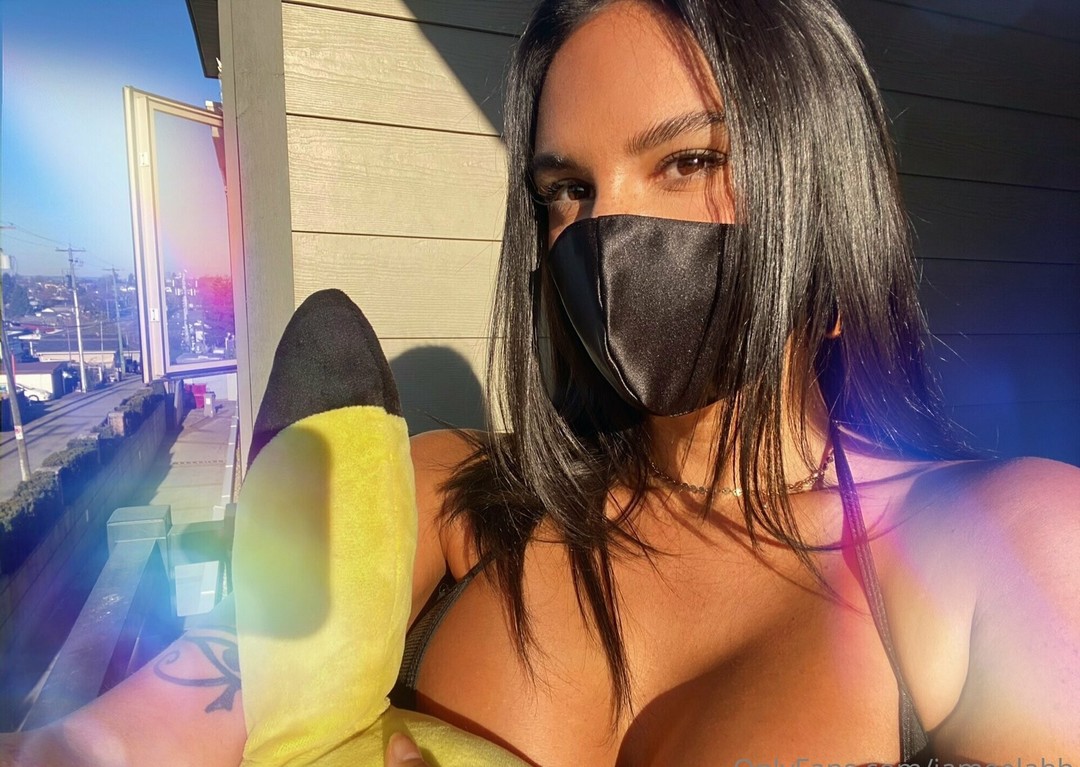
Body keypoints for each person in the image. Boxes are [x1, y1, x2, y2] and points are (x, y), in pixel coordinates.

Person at [3, 0, 1078, 764]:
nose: (606, 232)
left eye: (688, 161)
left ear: (822, 192)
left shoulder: (1005, 541)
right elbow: (147, 721)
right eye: (567, 188)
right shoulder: (446, 494)